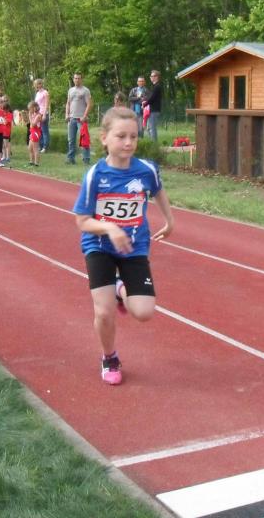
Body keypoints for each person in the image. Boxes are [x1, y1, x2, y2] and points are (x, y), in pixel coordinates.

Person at [73, 107, 175, 385]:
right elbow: (82, 221)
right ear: (104, 138)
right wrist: (109, 227)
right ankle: (109, 357)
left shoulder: (146, 170)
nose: (128, 142)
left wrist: (169, 220)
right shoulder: (95, 175)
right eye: (121, 136)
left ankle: (120, 288)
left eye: (133, 136)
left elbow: (158, 191)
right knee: (104, 312)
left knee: (143, 312)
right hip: (99, 247)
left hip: (134, 247)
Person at [65, 72, 92, 165]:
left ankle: (86, 159)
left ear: (81, 79)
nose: (77, 80)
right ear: (73, 79)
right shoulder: (70, 90)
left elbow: (89, 104)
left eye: (78, 78)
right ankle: (71, 158)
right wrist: (66, 114)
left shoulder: (85, 90)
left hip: (81, 119)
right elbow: (68, 103)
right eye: (75, 78)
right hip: (72, 118)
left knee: (84, 140)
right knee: (71, 140)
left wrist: (84, 116)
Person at [142, 70, 162, 142]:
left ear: (156, 77)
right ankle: (152, 143)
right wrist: (145, 101)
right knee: (149, 128)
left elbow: (152, 98)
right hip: (152, 110)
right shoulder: (154, 86)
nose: (150, 77)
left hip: (154, 110)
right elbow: (150, 97)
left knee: (152, 128)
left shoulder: (157, 87)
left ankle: (154, 144)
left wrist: (145, 104)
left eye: (152, 76)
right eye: (150, 76)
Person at [33, 78, 50, 152]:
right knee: (39, 130)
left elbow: (46, 104)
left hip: (43, 113)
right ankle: (40, 145)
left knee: (44, 130)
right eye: (35, 85)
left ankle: (45, 147)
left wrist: (44, 115)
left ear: (41, 84)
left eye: (37, 84)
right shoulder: (37, 93)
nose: (36, 86)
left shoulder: (45, 92)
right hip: (38, 113)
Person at [27, 101, 42, 167]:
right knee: (30, 148)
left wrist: (30, 116)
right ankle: (31, 161)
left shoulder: (38, 115)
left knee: (35, 148)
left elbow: (33, 124)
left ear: (34, 108)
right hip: (32, 132)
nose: (29, 110)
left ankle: (36, 163)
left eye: (30, 109)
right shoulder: (34, 115)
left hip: (36, 132)